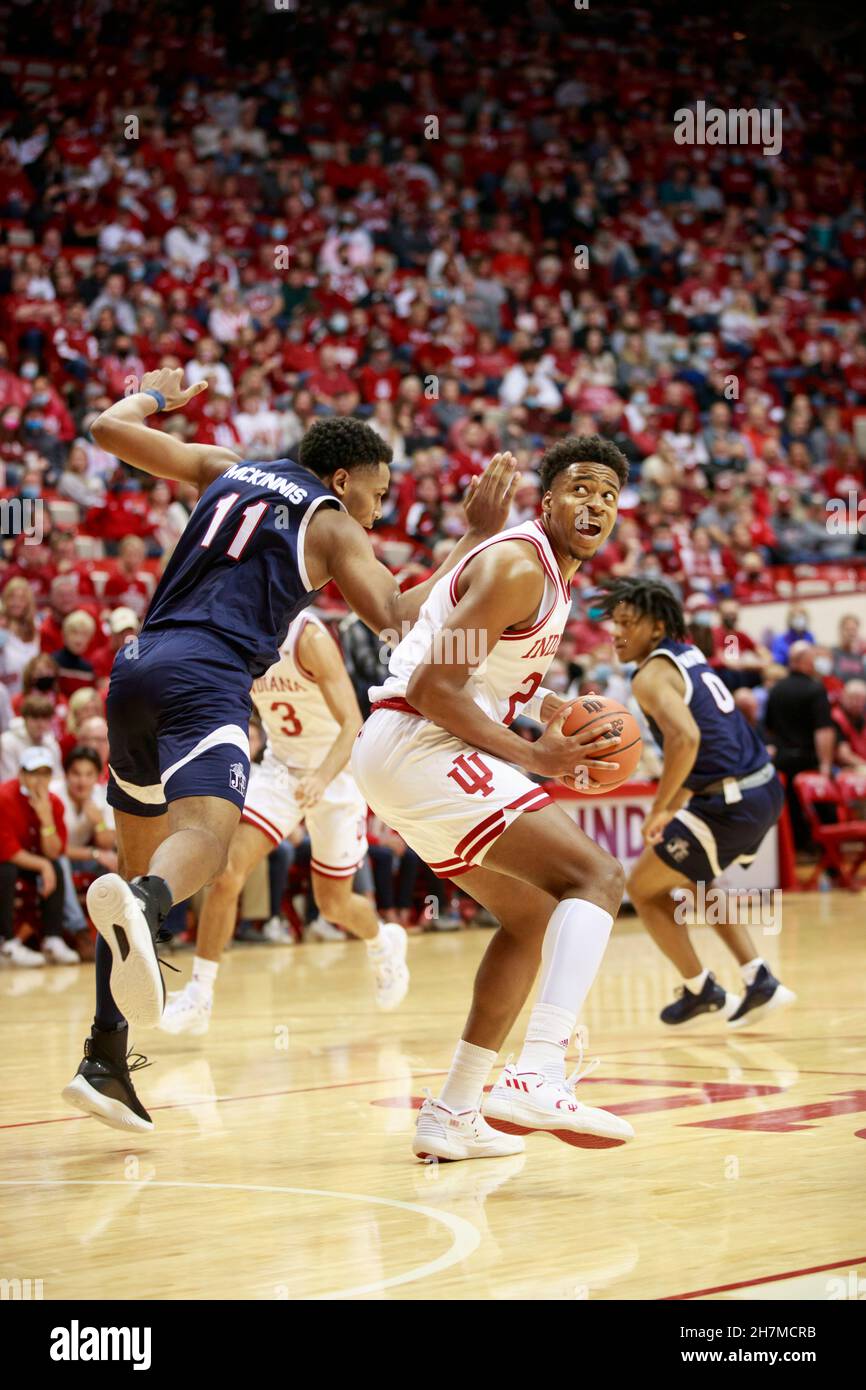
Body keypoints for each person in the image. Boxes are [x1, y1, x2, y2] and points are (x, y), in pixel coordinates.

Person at [62, 367, 517, 1134]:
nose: (378, 511)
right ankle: (144, 904)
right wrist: (473, 536)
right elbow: (397, 615)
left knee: (136, 877)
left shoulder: (226, 465)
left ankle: (106, 1059)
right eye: (377, 494)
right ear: (343, 479)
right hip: (208, 676)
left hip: (137, 668)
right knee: (203, 840)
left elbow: (106, 429)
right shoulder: (336, 524)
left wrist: (158, 394)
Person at [352, 435, 635, 1162]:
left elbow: (494, 679)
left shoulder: (552, 576)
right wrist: (537, 756)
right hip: (419, 738)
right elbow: (433, 687)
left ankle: (451, 1112)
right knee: (597, 877)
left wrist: (553, 714)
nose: (595, 503)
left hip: (410, 751)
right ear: (547, 501)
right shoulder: (518, 565)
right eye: (580, 487)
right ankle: (537, 1072)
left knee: (533, 916)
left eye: (609, 494)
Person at [160, 609, 408, 1036]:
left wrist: (323, 777)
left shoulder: (307, 637)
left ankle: (383, 942)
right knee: (227, 871)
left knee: (332, 903)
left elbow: (353, 723)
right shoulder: (237, 634)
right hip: (280, 769)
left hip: (336, 770)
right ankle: (200, 995)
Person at [600, 577, 796, 1030]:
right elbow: (708, 741)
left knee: (642, 889)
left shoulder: (650, 674)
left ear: (655, 627)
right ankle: (758, 978)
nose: (615, 633)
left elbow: (686, 739)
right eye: (614, 623)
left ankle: (700, 988)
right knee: (695, 881)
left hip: (731, 800)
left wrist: (659, 808)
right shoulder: (688, 655)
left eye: (627, 623)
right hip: (759, 788)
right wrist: (676, 803)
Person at [0, 746, 76, 966]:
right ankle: (8, 942)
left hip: (29, 861)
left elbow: (54, 851)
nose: (39, 780)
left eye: (45, 773)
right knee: (6, 870)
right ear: (21, 774)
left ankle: (53, 939)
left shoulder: (54, 803)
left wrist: (46, 819)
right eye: (34, 773)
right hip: (8, 861)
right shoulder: (4, 797)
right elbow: (7, 851)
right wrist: (43, 865)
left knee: (57, 865)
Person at [765, 641, 837, 849]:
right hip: (808, 759)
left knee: (791, 811)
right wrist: (825, 765)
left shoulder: (776, 689)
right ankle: (829, 854)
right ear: (803, 661)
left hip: (783, 761)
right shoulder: (815, 688)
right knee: (822, 807)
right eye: (813, 658)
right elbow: (824, 730)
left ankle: (797, 850)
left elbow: (770, 728)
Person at [831, 680, 866, 769]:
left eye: (860, 699)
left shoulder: (862, 717)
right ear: (843, 697)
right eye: (852, 698)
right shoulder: (835, 718)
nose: (856, 703)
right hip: (841, 768)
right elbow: (843, 755)